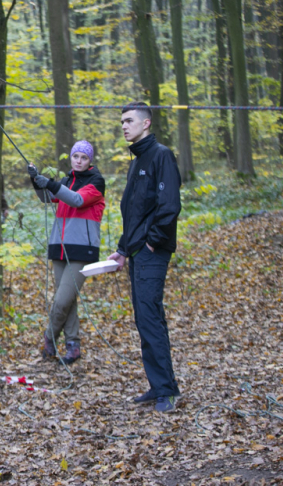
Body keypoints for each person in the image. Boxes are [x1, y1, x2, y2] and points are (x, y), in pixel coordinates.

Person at [107, 102, 182, 413]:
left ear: (146, 123)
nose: (124, 126)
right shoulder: (137, 160)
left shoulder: (160, 155)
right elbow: (134, 212)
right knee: (144, 319)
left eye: (129, 121)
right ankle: (158, 385)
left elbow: (169, 206)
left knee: (150, 318)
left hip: (152, 252)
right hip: (136, 252)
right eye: (122, 121)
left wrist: (152, 242)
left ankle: (167, 391)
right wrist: (124, 249)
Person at [29, 140, 106, 365]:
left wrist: (51, 184)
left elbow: (77, 199)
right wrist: (36, 180)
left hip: (82, 249)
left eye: (84, 157)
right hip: (59, 247)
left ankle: (49, 337)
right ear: (71, 158)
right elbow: (47, 198)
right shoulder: (66, 181)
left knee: (62, 300)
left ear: (90, 160)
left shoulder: (96, 181)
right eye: (76, 157)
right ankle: (73, 345)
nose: (79, 161)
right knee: (68, 301)